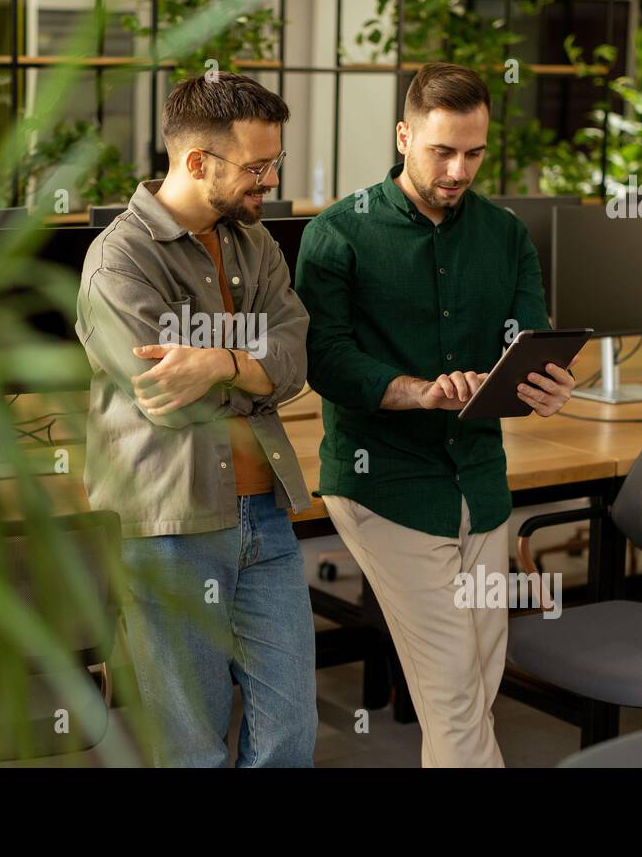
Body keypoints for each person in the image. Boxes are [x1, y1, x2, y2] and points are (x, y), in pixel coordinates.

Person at [294, 62, 578, 767]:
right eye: (441, 151)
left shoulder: (504, 234)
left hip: (478, 479)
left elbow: (529, 336)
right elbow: (323, 360)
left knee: (479, 675)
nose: (458, 170)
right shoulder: (338, 234)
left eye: (474, 153)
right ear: (404, 135)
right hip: (383, 484)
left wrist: (546, 382)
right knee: (452, 686)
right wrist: (420, 391)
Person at [75, 72, 316, 766]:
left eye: (275, 163)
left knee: (289, 739)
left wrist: (214, 364)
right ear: (196, 163)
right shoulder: (118, 261)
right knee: (192, 748)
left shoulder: (255, 244)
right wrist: (252, 372)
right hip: (168, 527)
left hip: (265, 515)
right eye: (256, 166)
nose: (267, 180)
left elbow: (295, 356)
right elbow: (164, 395)